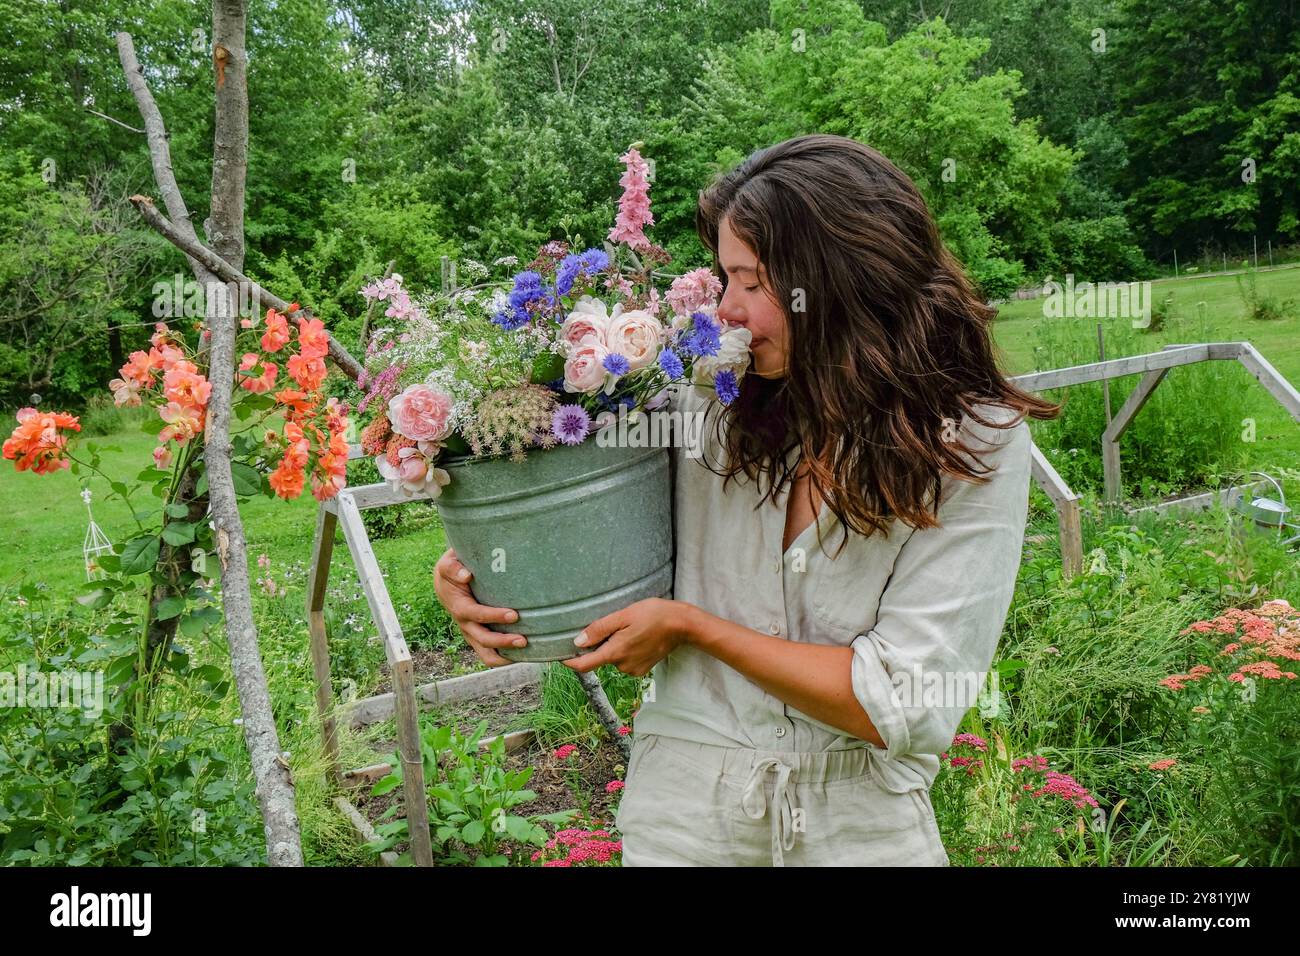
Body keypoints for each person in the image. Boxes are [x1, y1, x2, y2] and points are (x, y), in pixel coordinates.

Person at [433, 133, 1061, 866]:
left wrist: (696, 629)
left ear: (844, 278)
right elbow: (579, 521)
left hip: (861, 828)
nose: (727, 309)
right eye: (725, 278)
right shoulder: (704, 398)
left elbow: (904, 702)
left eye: (755, 282)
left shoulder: (970, 440)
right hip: (684, 819)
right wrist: (487, 571)